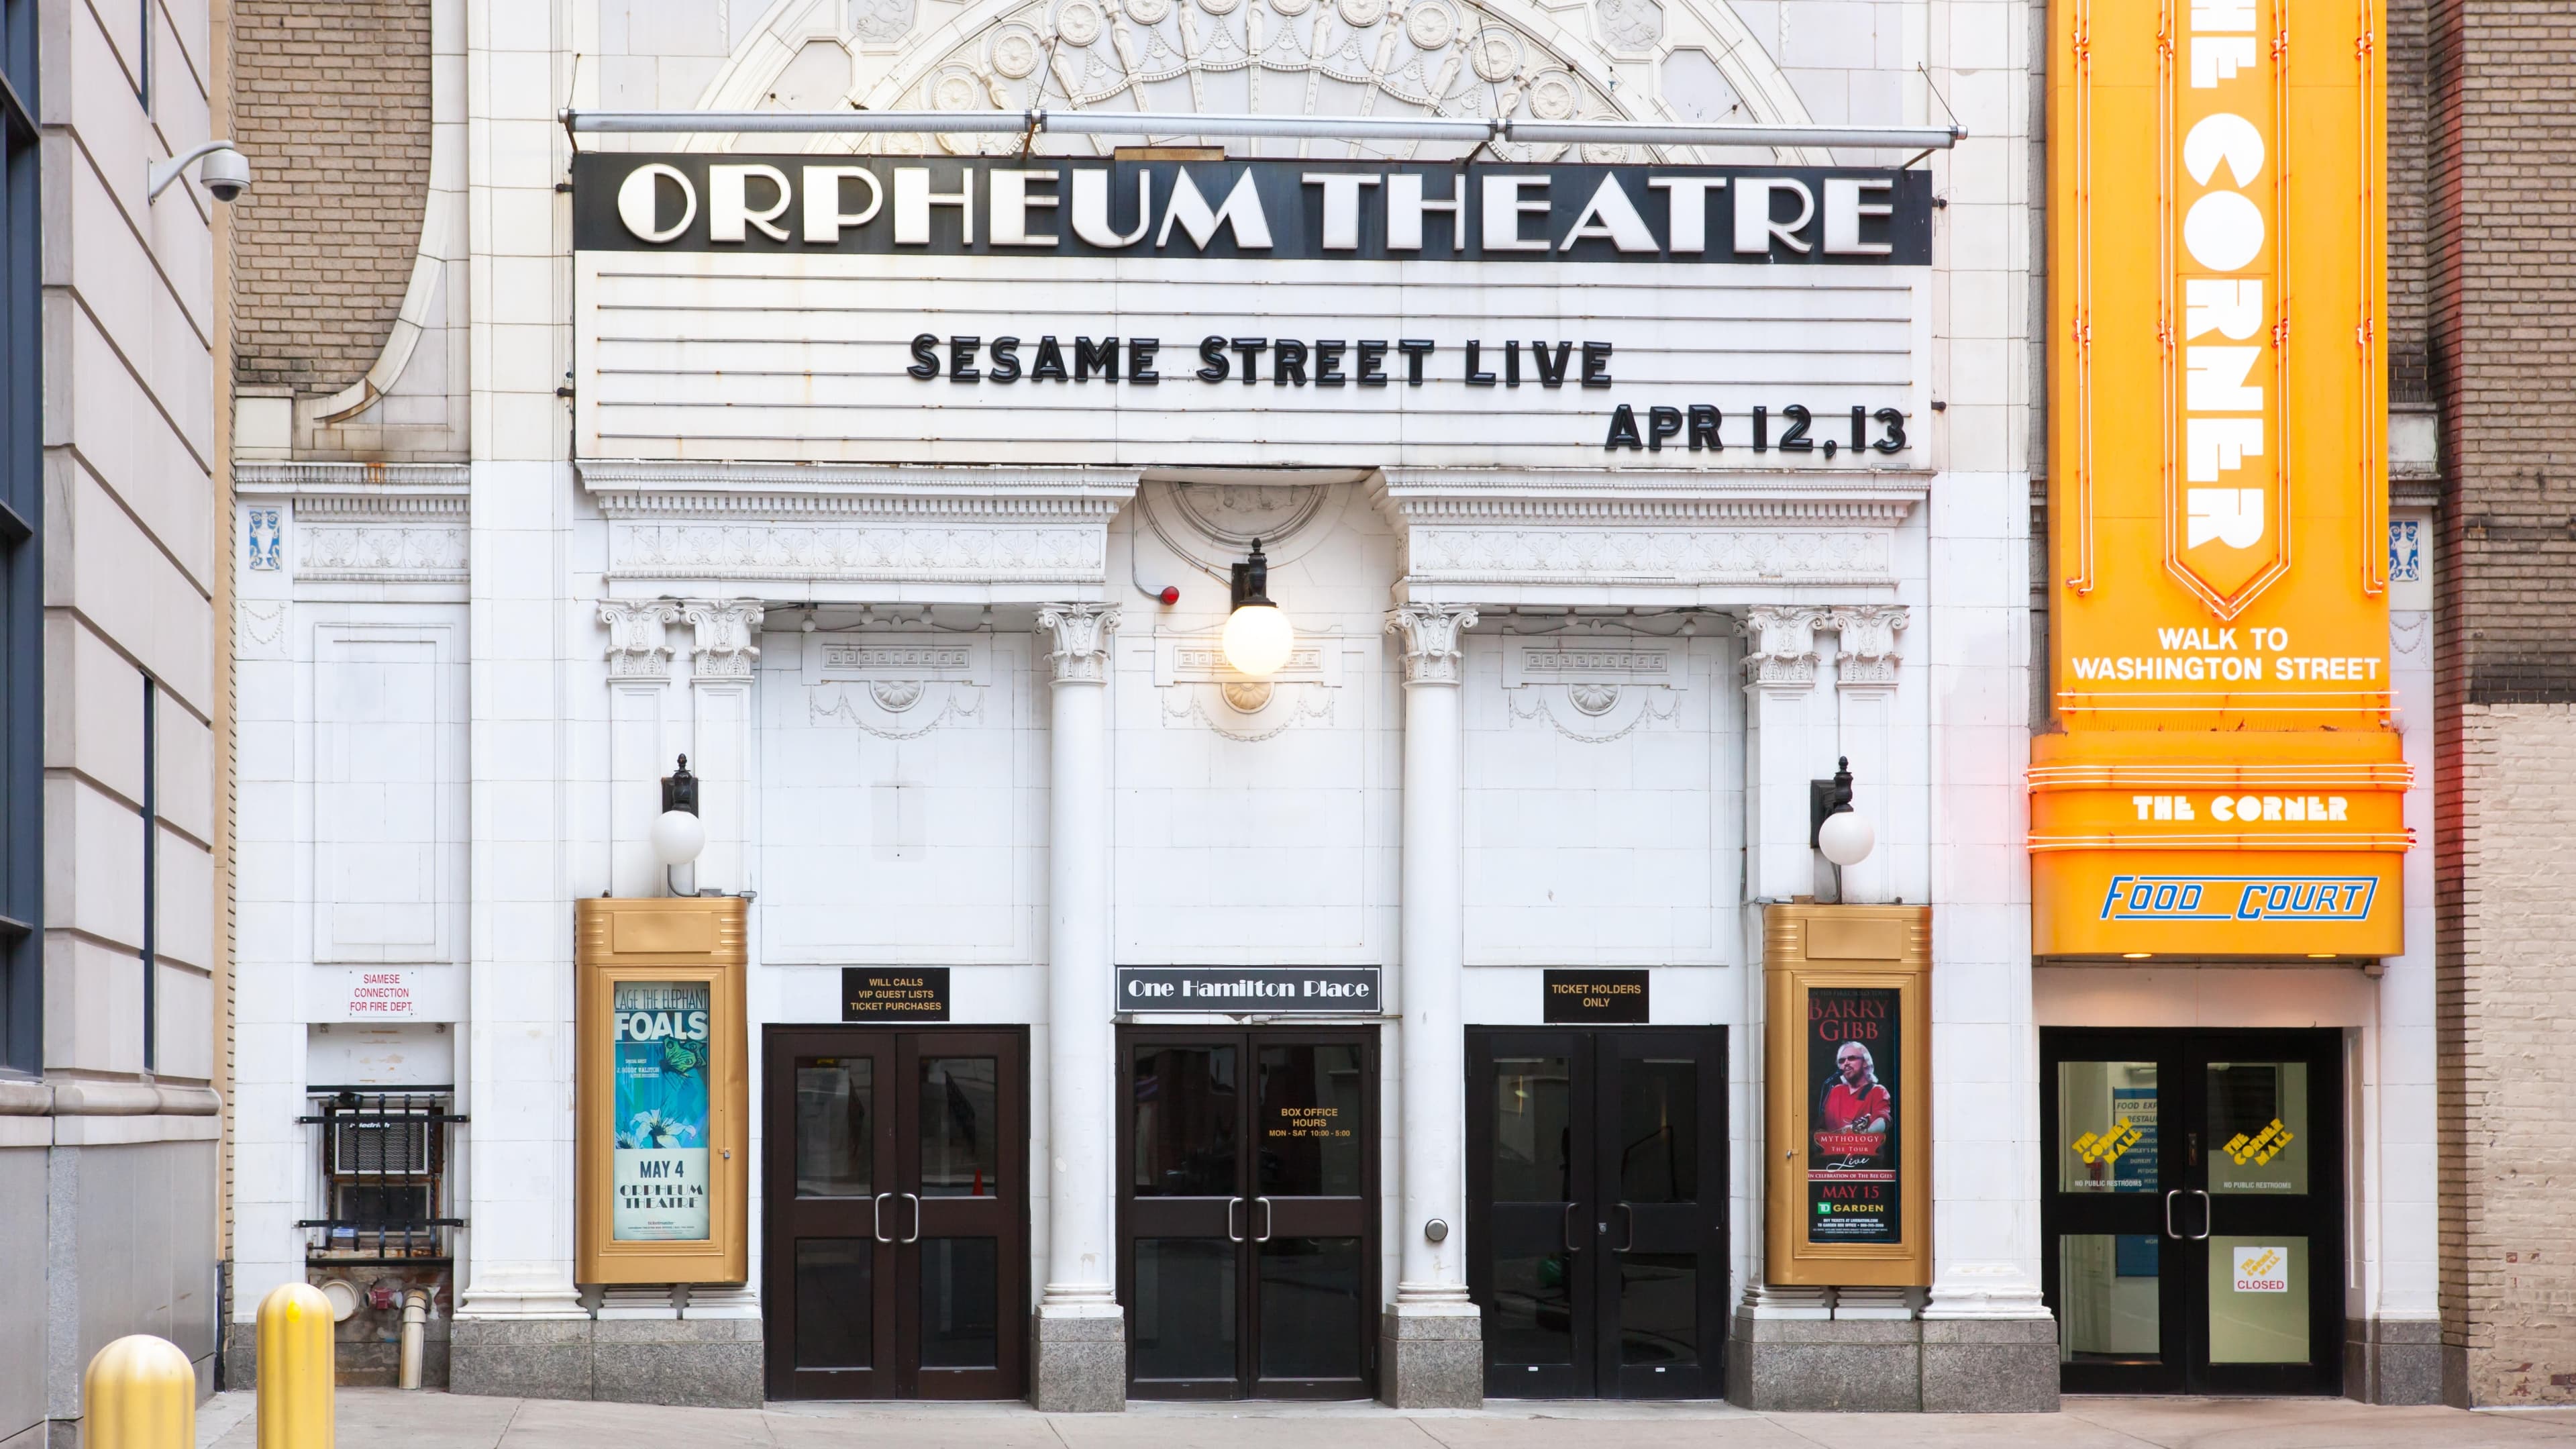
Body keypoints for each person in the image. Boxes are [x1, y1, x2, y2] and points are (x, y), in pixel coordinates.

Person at [1820, 1040, 1892, 1136]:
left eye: (1851, 1058)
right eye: (1842, 1061)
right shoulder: (1836, 1091)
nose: (1846, 1063)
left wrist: (1865, 1133)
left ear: (1865, 1062)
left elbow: (1882, 1119)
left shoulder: (1877, 1091)